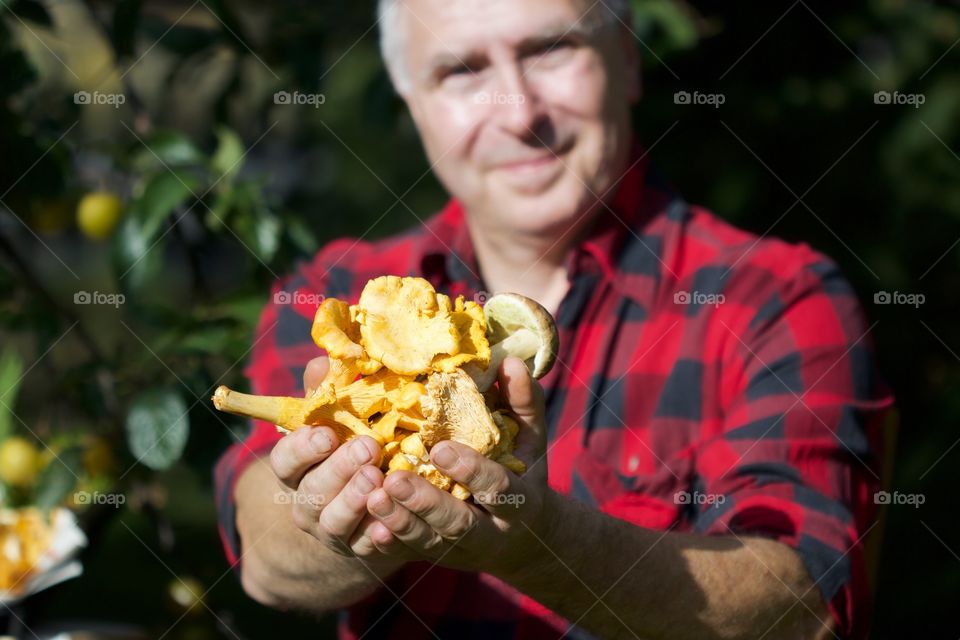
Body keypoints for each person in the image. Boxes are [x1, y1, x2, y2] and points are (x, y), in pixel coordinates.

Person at [214, 0, 894, 638]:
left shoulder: (775, 299)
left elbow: (802, 607)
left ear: (627, 60)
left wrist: (542, 544)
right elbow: (266, 560)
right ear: (411, 104)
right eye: (461, 70)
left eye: (550, 49)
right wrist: (347, 527)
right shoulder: (335, 295)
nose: (518, 112)